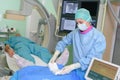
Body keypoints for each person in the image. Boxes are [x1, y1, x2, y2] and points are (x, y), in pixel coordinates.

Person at [49, 8, 106, 80]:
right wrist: (55, 55)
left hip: (92, 73)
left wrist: (72, 66)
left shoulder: (98, 37)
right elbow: (63, 42)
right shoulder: (75, 33)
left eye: (81, 22)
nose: (78, 25)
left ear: (88, 20)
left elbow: (92, 58)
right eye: (77, 22)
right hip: (77, 70)